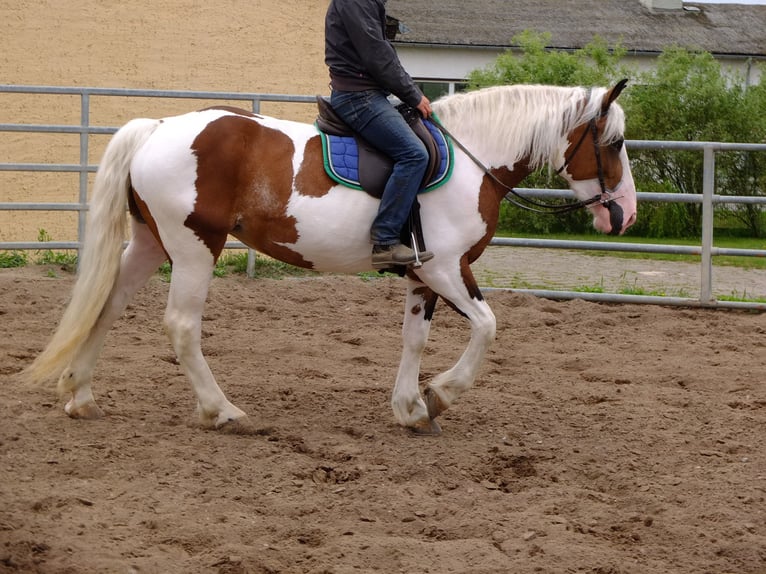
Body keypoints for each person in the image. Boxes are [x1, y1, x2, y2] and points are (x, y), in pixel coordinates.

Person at [325, 0, 435, 269]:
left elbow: (383, 52)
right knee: (414, 155)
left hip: (368, 93)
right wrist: (413, 94)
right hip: (358, 97)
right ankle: (385, 241)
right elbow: (377, 53)